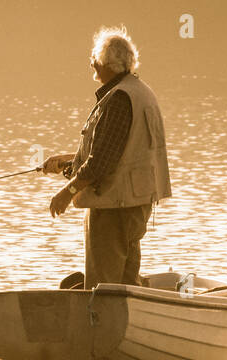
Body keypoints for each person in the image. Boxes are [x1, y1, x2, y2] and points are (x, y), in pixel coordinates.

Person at [41, 26, 171, 288]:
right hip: (135, 203)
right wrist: (69, 162)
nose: (91, 63)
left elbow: (101, 162)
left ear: (107, 63)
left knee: (103, 285)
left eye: (94, 59)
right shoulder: (140, 91)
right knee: (126, 282)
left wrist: (66, 193)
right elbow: (121, 152)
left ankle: (103, 326)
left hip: (113, 208)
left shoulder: (119, 99)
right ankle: (128, 325)